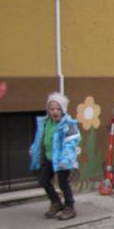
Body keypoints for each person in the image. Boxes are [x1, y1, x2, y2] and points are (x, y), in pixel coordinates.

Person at [29, 92, 81, 220]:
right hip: (48, 158)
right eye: (52, 109)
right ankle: (56, 203)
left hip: (62, 160)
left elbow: (72, 141)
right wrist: (34, 149)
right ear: (48, 110)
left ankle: (70, 207)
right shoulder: (45, 123)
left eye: (58, 109)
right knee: (44, 181)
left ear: (63, 110)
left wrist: (66, 158)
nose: (55, 111)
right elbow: (40, 139)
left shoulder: (68, 124)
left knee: (63, 184)